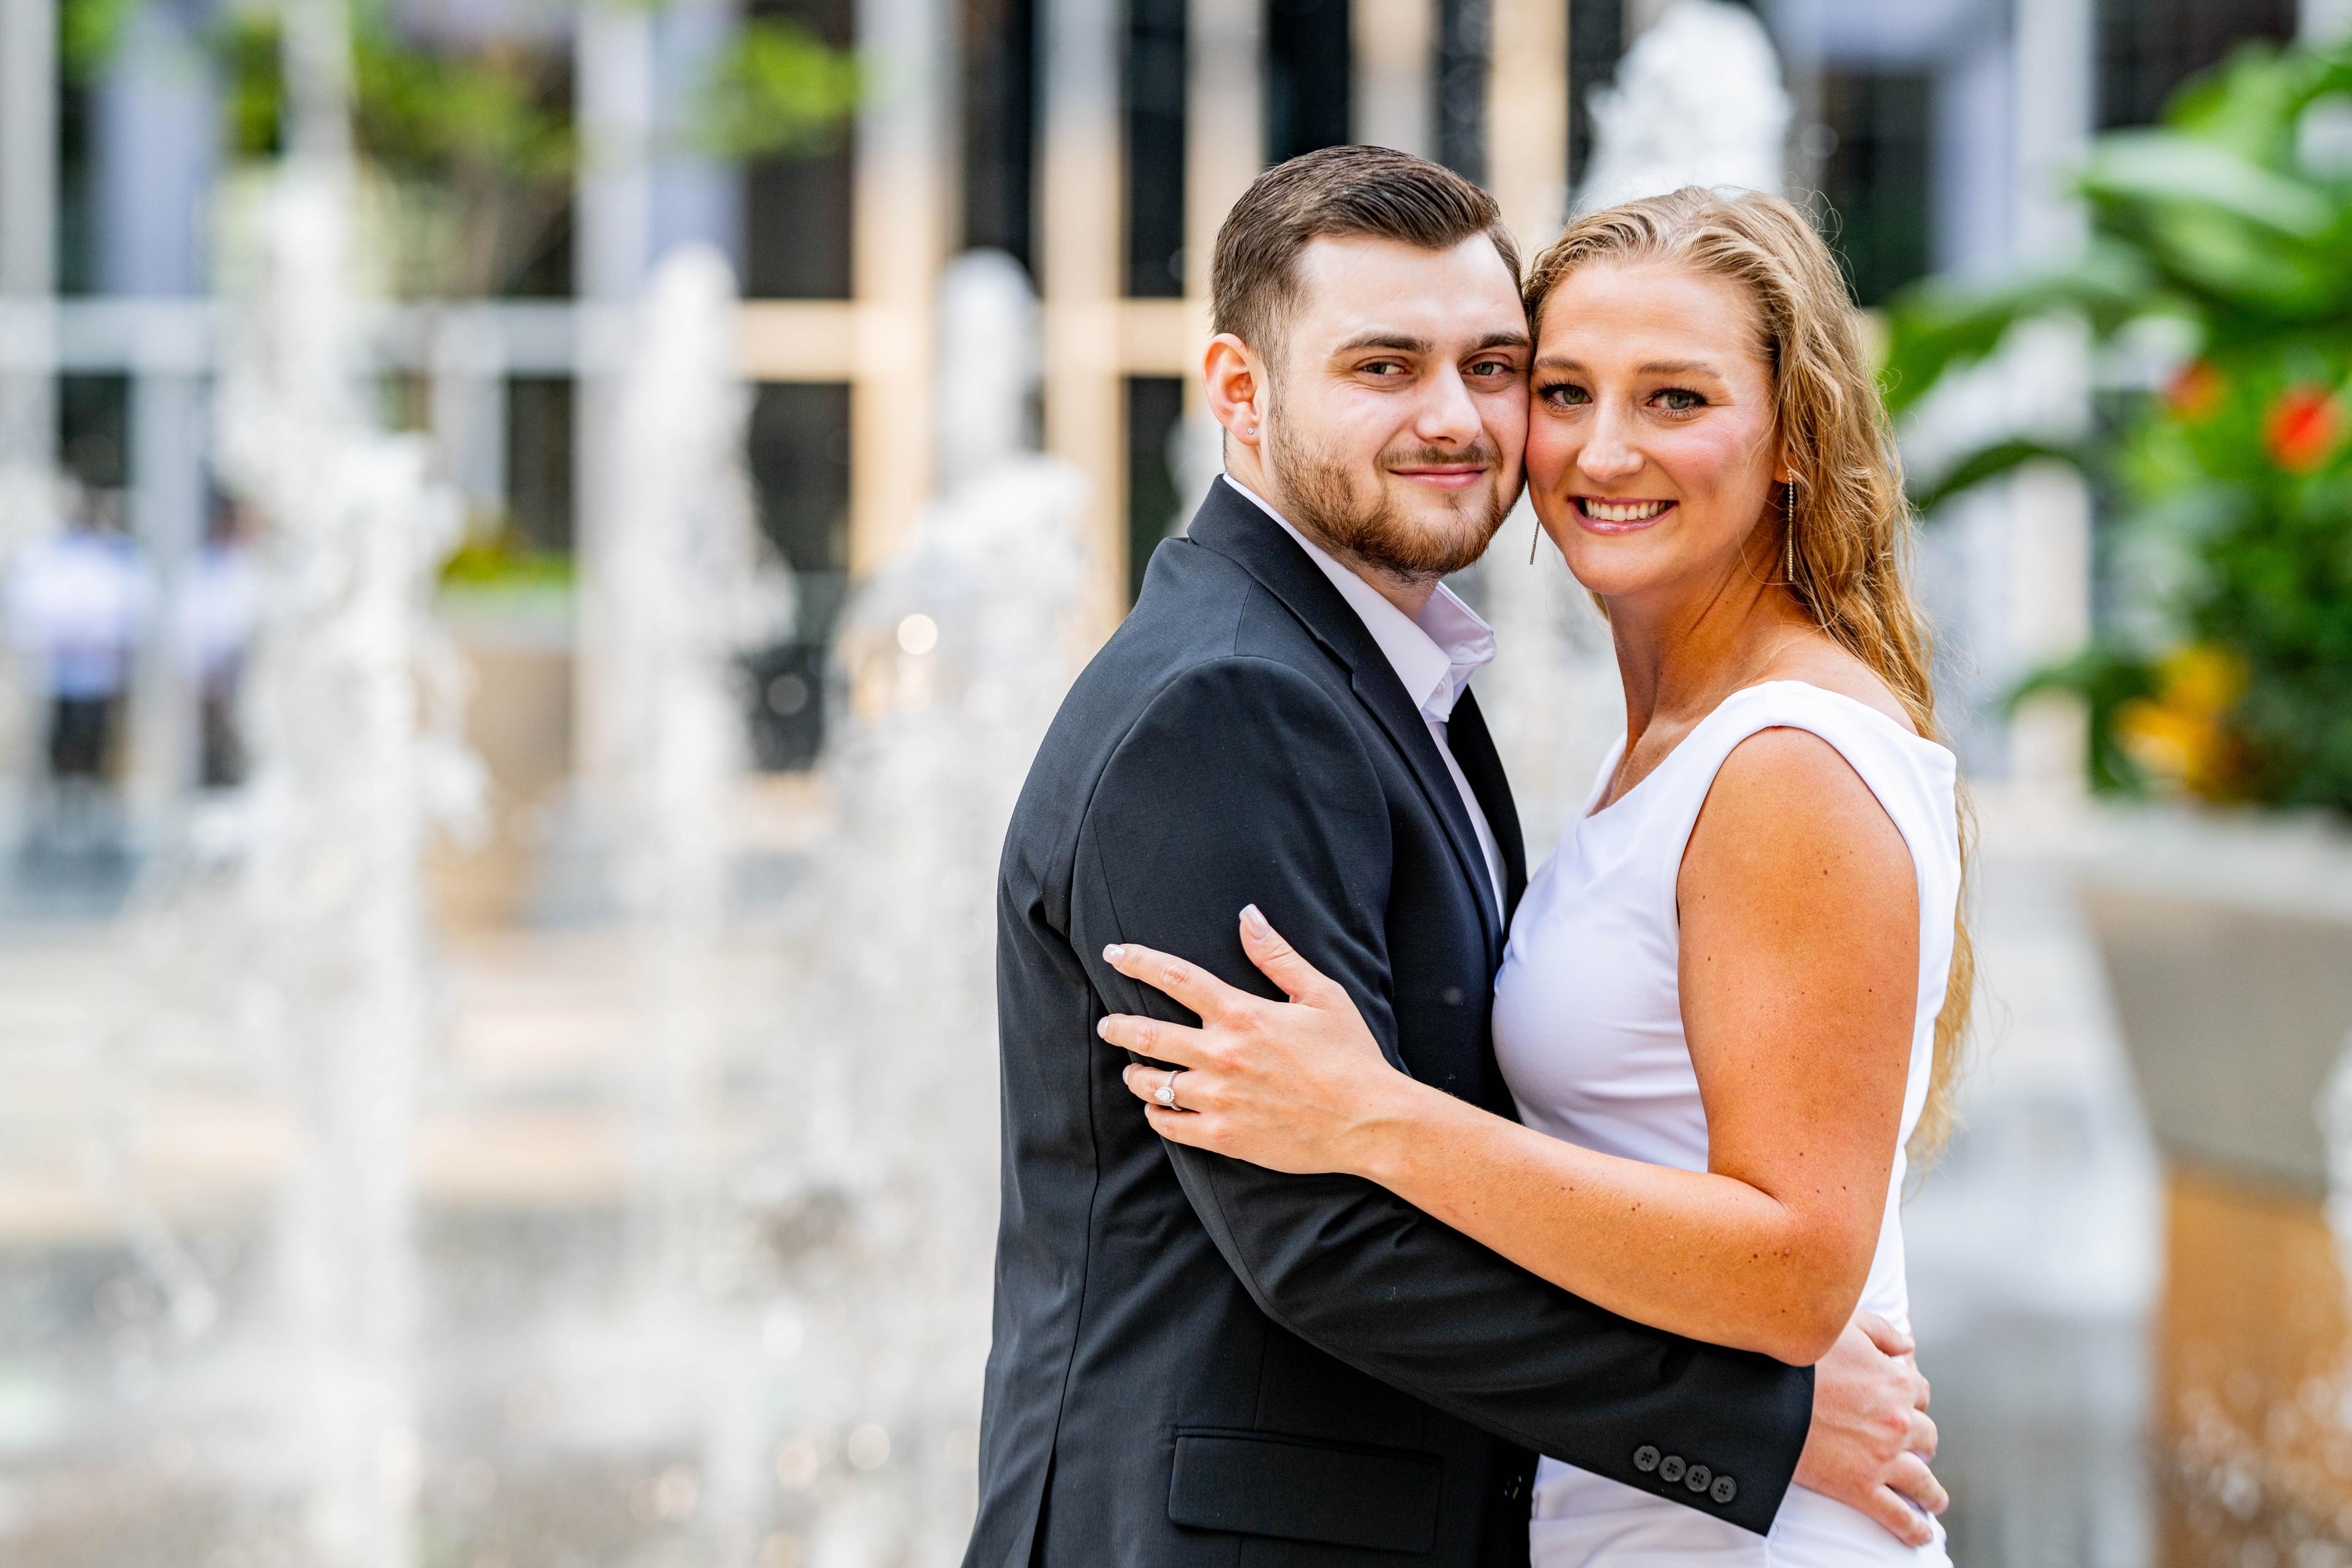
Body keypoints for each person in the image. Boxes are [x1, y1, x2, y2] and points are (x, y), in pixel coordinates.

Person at [969, 148, 1942, 1568]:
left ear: (1793, 433)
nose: (1460, 420)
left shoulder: (1423, 688)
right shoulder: (1227, 701)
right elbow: (1319, 1238)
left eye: (1493, 366)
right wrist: (1755, 1420)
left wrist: (1378, 1115)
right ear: (1240, 393)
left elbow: (1409, 1147)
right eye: (1384, 366)